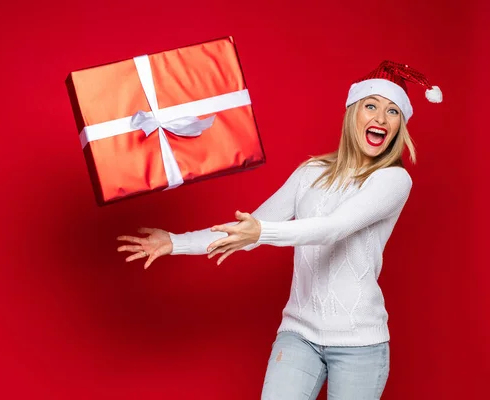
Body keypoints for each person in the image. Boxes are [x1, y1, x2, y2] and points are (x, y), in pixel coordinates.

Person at [116, 60, 442, 400]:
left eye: (392, 112)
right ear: (352, 114)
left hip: (360, 344)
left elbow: (334, 228)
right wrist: (175, 242)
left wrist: (261, 233)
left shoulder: (393, 180)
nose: (380, 118)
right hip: (299, 334)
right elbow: (249, 227)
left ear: (400, 125)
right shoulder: (310, 173)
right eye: (371, 106)